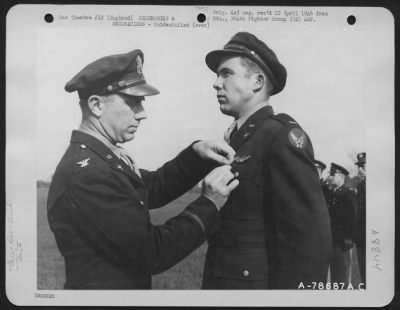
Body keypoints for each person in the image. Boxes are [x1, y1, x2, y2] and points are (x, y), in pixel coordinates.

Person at [47, 49, 240, 289]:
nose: (143, 114)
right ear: (96, 105)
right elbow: (153, 252)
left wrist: (196, 155)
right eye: (133, 102)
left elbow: (151, 188)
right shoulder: (88, 174)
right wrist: (209, 204)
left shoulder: (101, 160)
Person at [201, 32, 332, 289]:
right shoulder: (238, 139)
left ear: (258, 82)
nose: (216, 83)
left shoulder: (280, 136)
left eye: (226, 73)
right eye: (217, 75)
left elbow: (308, 244)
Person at [327, 162, 357, 286]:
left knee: (342, 273)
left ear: (341, 176)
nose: (331, 177)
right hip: (333, 239)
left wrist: (348, 238)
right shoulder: (332, 193)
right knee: (335, 272)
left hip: (343, 240)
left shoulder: (348, 194)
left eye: (333, 175)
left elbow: (352, 217)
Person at [354, 152, 366, 286]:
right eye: (359, 167)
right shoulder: (360, 185)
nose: (360, 169)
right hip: (361, 237)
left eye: (363, 166)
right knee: (363, 272)